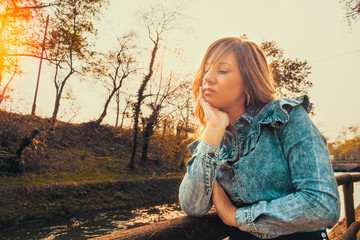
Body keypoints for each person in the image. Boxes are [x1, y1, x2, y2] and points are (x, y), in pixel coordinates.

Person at [178, 37, 340, 240]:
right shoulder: (211, 142)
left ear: (248, 82)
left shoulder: (286, 117)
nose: (208, 78)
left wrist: (235, 216)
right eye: (207, 69)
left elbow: (323, 205)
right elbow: (193, 206)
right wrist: (213, 128)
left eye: (222, 70)